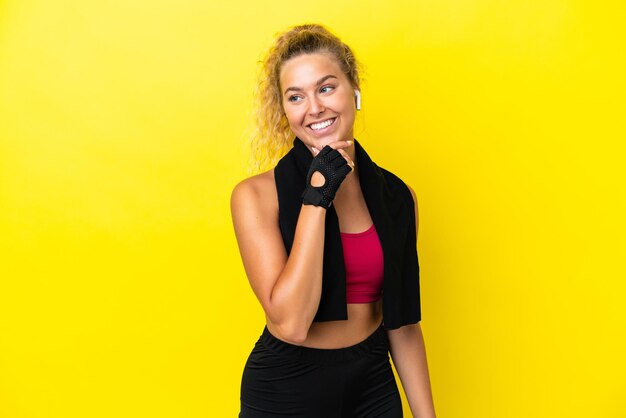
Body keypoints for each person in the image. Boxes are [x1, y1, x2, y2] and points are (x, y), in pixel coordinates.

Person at [231, 23, 436, 418]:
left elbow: (403, 324)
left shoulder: (397, 197)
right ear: (284, 109)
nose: (314, 108)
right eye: (296, 96)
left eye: (326, 88)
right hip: (286, 388)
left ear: (353, 89)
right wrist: (318, 192)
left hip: (372, 383)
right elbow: (290, 323)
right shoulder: (255, 196)